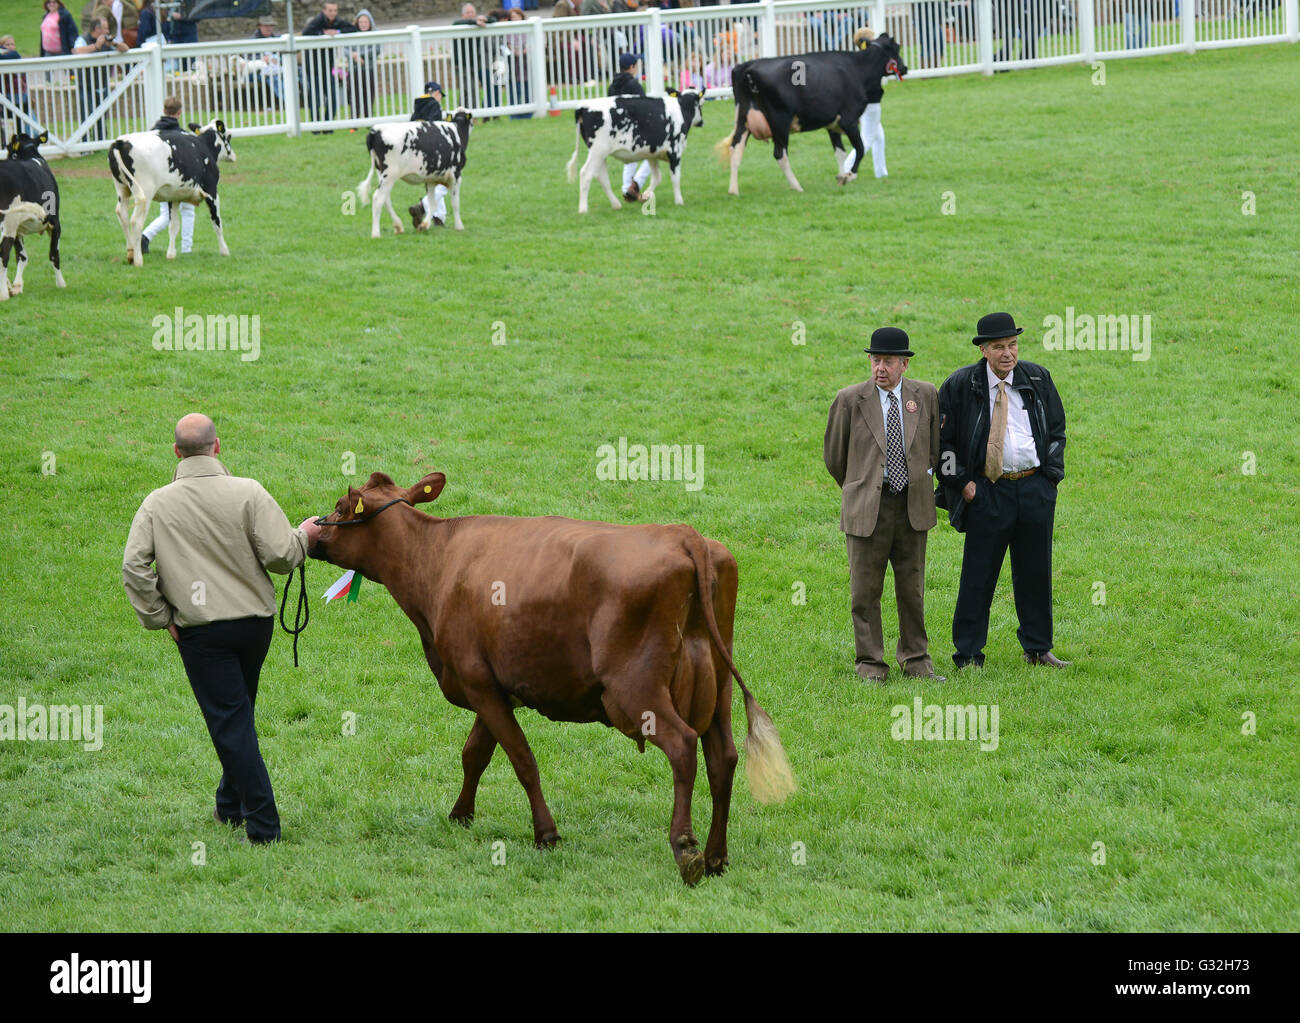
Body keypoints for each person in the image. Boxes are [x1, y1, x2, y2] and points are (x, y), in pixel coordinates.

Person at [123, 414, 322, 845]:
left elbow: (134, 568)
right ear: (217, 446)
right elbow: (282, 556)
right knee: (238, 715)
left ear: (176, 452)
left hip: (202, 635)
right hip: (255, 628)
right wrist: (305, 535)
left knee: (232, 723)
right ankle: (229, 806)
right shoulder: (249, 491)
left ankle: (264, 829)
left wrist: (162, 618)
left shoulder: (156, 504)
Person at [937, 312, 1070, 670]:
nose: (1007, 353)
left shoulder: (1038, 378)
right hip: (986, 492)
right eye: (998, 347)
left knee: (1035, 572)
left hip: (1034, 489)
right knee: (978, 575)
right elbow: (940, 445)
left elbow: (1056, 432)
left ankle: (1038, 648)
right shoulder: (960, 385)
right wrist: (964, 485)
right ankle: (968, 654)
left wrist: (1050, 479)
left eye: (1012, 345)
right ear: (983, 350)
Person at [824, 328, 944, 684]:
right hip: (867, 509)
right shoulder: (849, 400)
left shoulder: (925, 395)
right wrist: (863, 487)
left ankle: (917, 660)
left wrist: (916, 482)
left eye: (888, 361)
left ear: (904, 364)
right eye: (875, 360)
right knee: (865, 591)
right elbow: (835, 458)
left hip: (911, 506)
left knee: (912, 588)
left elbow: (934, 449)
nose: (880, 368)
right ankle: (871, 665)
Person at [139, 96, 195, 256]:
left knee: (166, 214)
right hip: (179, 179)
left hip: (158, 179)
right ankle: (186, 249)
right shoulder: (183, 135)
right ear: (179, 113)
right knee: (188, 211)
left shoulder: (152, 133)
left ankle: (145, 236)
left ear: (164, 111)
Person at [73, 16, 128, 141]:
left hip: (102, 85)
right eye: (105, 28)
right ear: (97, 29)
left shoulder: (107, 41)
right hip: (86, 86)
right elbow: (76, 51)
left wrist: (114, 43)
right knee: (86, 118)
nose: (108, 31)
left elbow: (126, 49)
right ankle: (85, 147)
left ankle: (101, 142)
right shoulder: (83, 39)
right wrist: (96, 46)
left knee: (102, 117)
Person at [302, 2, 355, 132]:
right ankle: (315, 127)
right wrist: (324, 33)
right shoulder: (318, 20)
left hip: (327, 66)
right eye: (330, 10)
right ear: (324, 11)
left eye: (335, 10)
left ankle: (328, 126)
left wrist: (337, 31)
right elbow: (306, 32)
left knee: (332, 97)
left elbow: (352, 29)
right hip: (313, 67)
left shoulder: (337, 22)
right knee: (316, 98)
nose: (333, 13)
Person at [406, 81, 450, 229]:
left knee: (434, 183)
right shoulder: (434, 106)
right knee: (446, 182)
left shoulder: (418, 106)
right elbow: (435, 130)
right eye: (440, 96)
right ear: (436, 93)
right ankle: (422, 206)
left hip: (416, 151)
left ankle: (439, 216)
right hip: (431, 150)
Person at [609, 52, 650, 202]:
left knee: (630, 159)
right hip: (635, 129)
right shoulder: (634, 85)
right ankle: (636, 184)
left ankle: (627, 188)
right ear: (632, 67)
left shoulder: (612, 86)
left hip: (618, 130)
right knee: (653, 156)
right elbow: (642, 108)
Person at [347, 9, 378, 125]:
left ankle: (369, 120)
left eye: (366, 22)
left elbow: (376, 49)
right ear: (357, 23)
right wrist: (354, 56)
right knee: (354, 96)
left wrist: (360, 55)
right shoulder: (351, 34)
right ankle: (354, 122)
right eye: (361, 22)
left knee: (368, 95)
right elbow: (346, 49)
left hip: (368, 70)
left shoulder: (374, 34)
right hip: (354, 70)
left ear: (370, 23)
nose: (363, 24)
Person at [248, 15, 284, 103]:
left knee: (296, 72)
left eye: (270, 26)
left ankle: (301, 96)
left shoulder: (277, 39)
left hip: (278, 68)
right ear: (260, 26)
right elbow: (248, 57)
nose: (269, 28)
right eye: (266, 26)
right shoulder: (253, 41)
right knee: (273, 77)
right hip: (259, 71)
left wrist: (278, 59)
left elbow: (282, 55)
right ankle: (286, 100)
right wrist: (262, 59)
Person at [0, 36, 30, 121]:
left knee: (26, 121)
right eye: (7, 44)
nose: (10, 47)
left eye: (12, 44)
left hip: (21, 94)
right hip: (7, 96)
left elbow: (15, 55)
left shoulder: (15, 55)